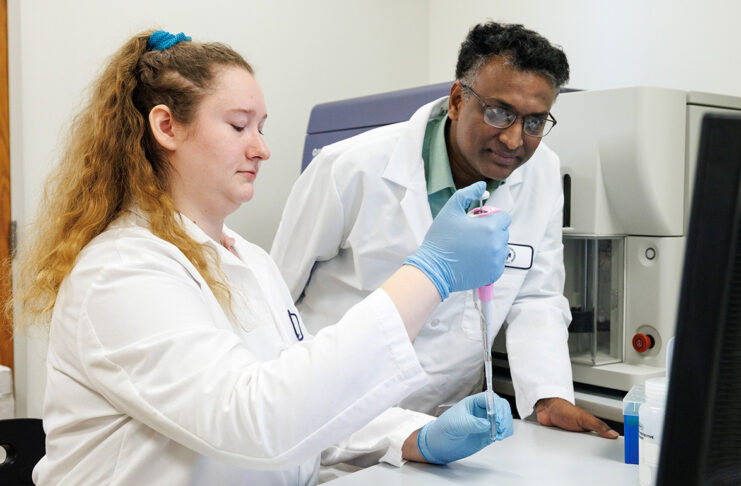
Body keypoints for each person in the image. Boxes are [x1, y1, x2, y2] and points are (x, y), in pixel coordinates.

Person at [10, 30, 515, 485]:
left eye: (262, 127)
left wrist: (411, 436)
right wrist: (430, 274)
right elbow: (254, 421)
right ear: (166, 127)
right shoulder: (120, 271)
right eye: (238, 126)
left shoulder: (248, 260)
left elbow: (301, 397)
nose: (262, 149)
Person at [271, 21, 618, 439]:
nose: (513, 139)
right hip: (336, 421)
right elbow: (275, 302)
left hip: (449, 428)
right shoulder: (349, 169)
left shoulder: (541, 172)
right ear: (457, 100)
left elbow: (536, 295)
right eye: (498, 113)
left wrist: (548, 395)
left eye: (534, 122)